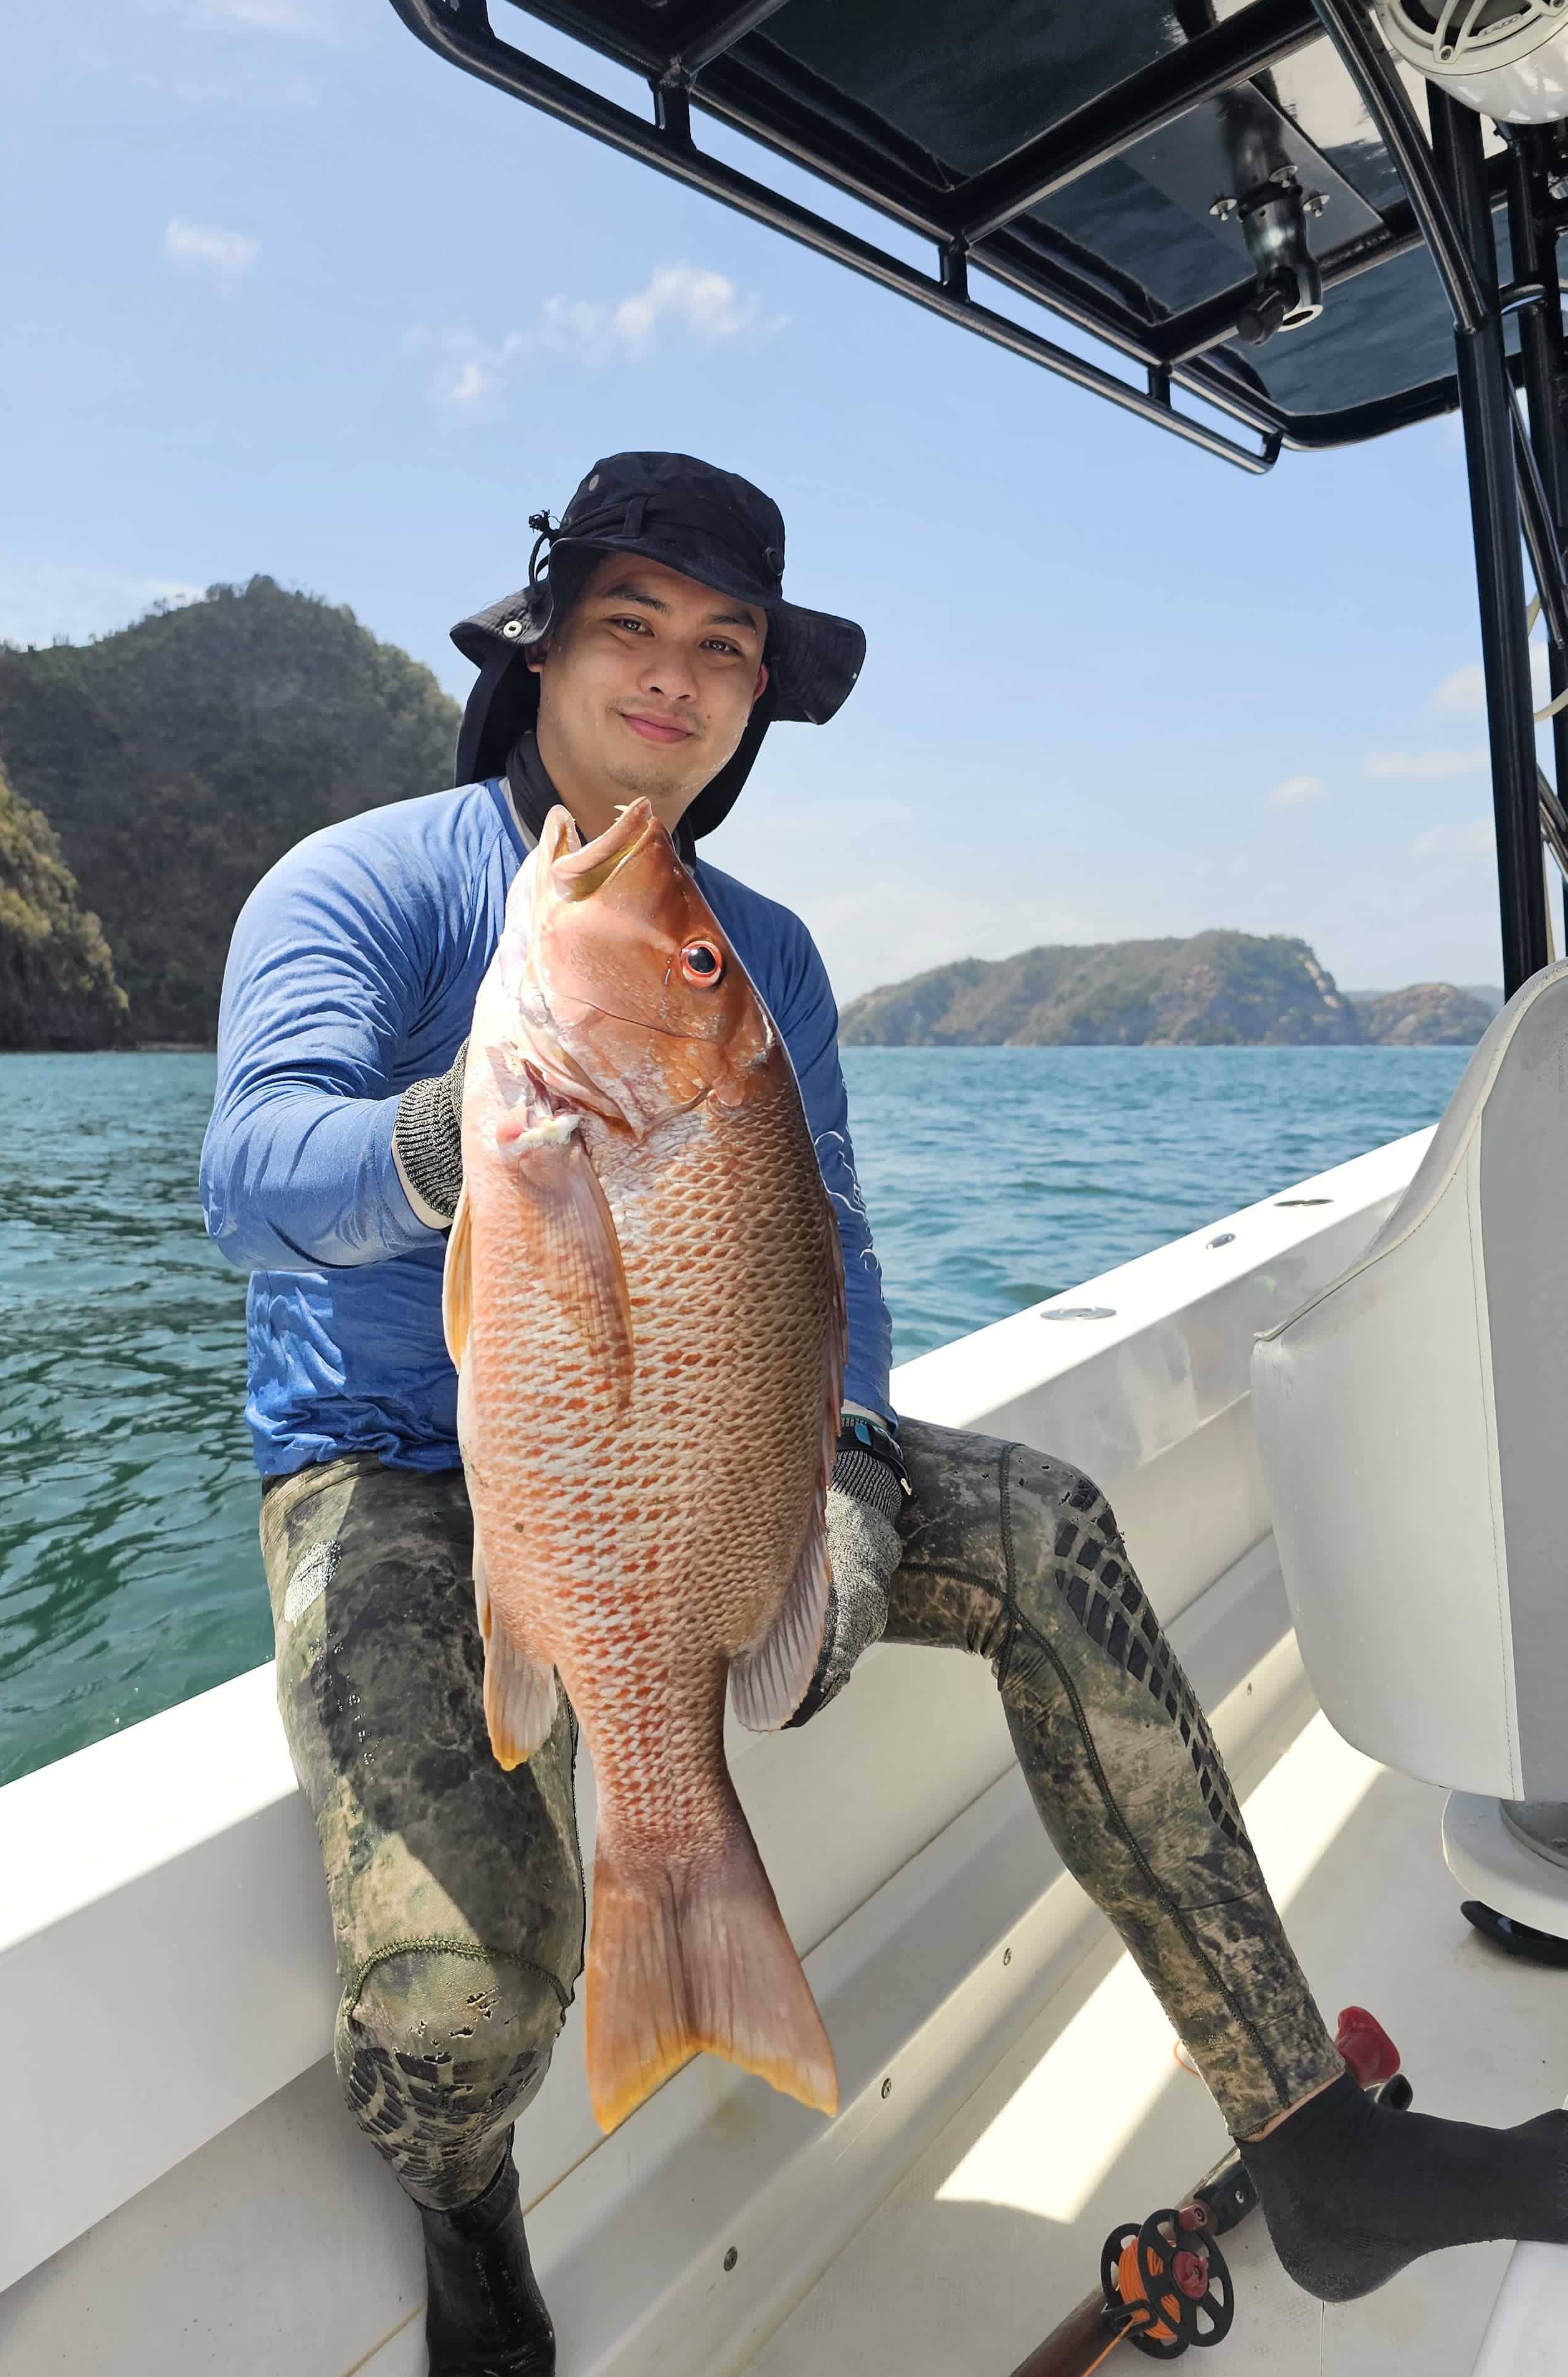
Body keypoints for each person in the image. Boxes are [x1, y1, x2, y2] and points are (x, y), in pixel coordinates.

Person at [201, 451, 1568, 2375]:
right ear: (541, 655)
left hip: (693, 1448)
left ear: (757, 698)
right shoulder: (366, 885)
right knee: (449, 2014)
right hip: (402, 1472)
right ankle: (469, 2227)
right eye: (630, 627)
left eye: (723, 650)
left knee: (1047, 1522)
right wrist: (461, 1138)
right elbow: (248, 1174)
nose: (675, 680)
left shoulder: (765, 958)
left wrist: (836, 1467)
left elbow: (817, 1252)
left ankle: (1315, 2142)